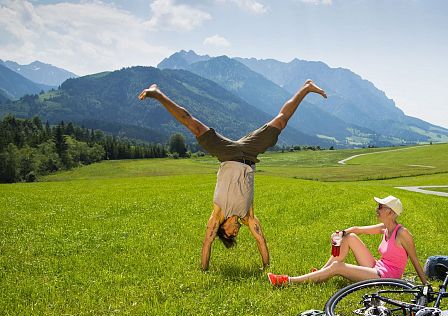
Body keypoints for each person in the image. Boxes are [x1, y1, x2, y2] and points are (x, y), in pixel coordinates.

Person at [138, 80, 327, 271]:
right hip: (249, 154)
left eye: (232, 234)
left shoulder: (217, 216)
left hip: (227, 153)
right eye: (236, 234)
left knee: (193, 126)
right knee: (281, 122)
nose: (236, 232)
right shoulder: (247, 217)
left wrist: (204, 269)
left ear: (223, 232)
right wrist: (266, 267)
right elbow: (261, 240)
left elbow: (206, 244)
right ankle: (306, 88)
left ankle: (157, 93)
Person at [267, 195, 429, 286]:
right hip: (377, 268)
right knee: (349, 237)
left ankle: (288, 281)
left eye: (381, 207)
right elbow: (357, 229)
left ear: (392, 213)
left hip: (387, 278)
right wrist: (340, 234)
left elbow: (415, 260)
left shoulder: (402, 233)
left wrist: (426, 286)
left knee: (338, 266)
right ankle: (320, 273)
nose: (377, 209)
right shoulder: (384, 227)